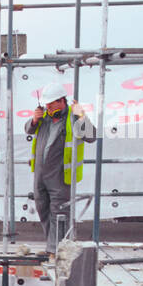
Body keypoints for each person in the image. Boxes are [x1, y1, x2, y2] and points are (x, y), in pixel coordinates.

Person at [24, 83, 95, 256]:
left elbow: (91, 136)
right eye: (46, 104)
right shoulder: (44, 118)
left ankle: (56, 250)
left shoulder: (73, 117)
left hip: (60, 173)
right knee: (43, 208)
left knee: (59, 211)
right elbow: (29, 129)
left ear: (62, 101)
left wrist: (82, 117)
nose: (48, 107)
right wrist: (34, 119)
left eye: (51, 104)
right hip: (40, 173)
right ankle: (52, 246)